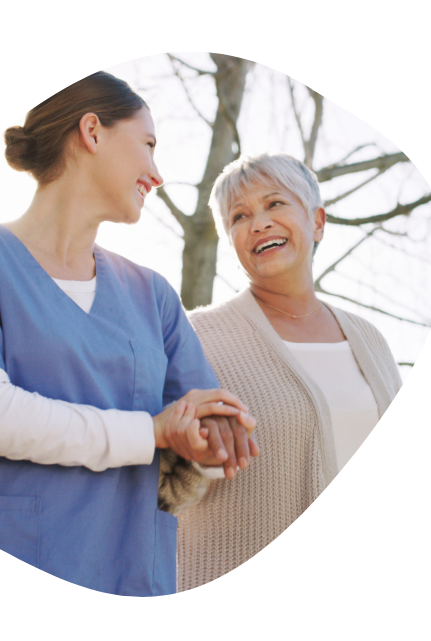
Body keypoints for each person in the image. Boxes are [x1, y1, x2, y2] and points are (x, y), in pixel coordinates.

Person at [0, 71, 258, 597]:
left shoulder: (153, 296)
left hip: (126, 579)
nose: (157, 174)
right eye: (149, 145)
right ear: (92, 131)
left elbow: (192, 442)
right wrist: (152, 433)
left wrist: (212, 438)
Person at [158, 153, 403, 591]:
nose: (259, 223)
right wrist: (196, 455)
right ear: (229, 240)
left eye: (275, 204)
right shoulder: (194, 338)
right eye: (239, 215)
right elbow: (158, 486)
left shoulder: (372, 340)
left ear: (318, 222)